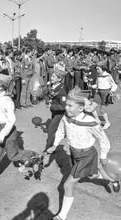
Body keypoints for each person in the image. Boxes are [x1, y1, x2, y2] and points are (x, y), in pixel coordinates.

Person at [45, 87, 117, 220]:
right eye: (66, 104)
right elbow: (60, 131)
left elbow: (103, 139)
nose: (66, 108)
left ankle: (62, 215)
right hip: (74, 153)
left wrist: (103, 156)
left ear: (80, 108)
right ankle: (113, 180)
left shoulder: (89, 121)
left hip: (87, 155)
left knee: (68, 184)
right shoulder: (66, 118)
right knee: (94, 174)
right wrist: (54, 145)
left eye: (70, 106)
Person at [0, 72, 39, 189]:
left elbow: (11, 119)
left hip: (8, 133)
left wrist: (2, 135)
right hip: (1, 130)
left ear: (0, 87)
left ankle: (34, 156)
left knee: (13, 156)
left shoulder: (5, 100)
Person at [43, 68, 67, 152]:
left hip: (60, 113)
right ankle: (54, 145)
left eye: (54, 76)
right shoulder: (52, 87)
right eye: (51, 76)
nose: (51, 78)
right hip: (54, 112)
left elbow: (63, 106)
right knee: (55, 130)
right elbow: (49, 96)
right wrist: (47, 100)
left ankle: (49, 148)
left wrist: (52, 105)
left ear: (59, 79)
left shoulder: (61, 90)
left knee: (51, 130)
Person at [92, 61, 118, 129]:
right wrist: (93, 86)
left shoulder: (108, 76)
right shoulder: (98, 76)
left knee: (102, 110)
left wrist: (112, 91)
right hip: (98, 92)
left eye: (98, 69)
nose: (97, 71)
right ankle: (97, 120)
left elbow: (114, 85)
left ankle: (107, 122)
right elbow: (98, 84)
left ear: (103, 69)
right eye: (96, 69)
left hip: (105, 93)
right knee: (91, 108)